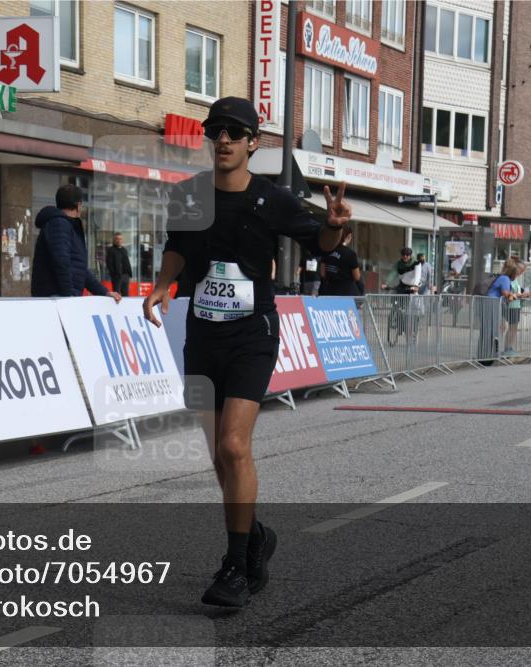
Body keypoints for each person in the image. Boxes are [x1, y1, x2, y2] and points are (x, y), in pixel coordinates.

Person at [143, 96, 350, 608]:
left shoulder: (273, 198)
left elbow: (321, 244)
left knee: (234, 446)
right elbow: (178, 246)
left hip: (252, 335)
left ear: (254, 143)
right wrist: (161, 286)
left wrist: (334, 223)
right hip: (202, 335)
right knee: (218, 455)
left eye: (236, 132)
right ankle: (255, 537)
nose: (226, 140)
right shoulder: (190, 196)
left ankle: (236, 565)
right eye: (217, 132)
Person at [31, 184, 122, 302]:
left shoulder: (67, 225)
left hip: (62, 296)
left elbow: (80, 269)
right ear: (78, 205)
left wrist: (104, 292)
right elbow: (61, 262)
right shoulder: (59, 224)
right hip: (57, 298)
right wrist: (68, 296)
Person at [319, 225, 361, 296]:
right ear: (348, 236)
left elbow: (322, 273)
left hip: (329, 290)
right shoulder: (350, 254)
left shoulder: (327, 250)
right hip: (346, 293)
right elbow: (357, 277)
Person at [503, 258, 531, 356]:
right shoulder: (509, 278)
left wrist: (524, 293)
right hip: (509, 305)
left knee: (513, 328)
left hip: (516, 305)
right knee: (508, 328)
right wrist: (520, 295)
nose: (521, 273)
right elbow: (509, 292)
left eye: (523, 271)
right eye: (521, 270)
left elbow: (516, 291)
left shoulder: (515, 279)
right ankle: (506, 348)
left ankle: (510, 347)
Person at [105, 232, 133, 297]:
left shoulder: (124, 250)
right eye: (117, 239)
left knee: (126, 295)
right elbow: (109, 264)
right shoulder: (111, 250)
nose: (119, 240)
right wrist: (114, 274)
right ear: (114, 240)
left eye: (120, 239)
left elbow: (127, 262)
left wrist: (129, 274)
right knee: (116, 295)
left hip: (126, 276)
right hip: (116, 276)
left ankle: (125, 307)